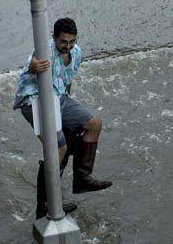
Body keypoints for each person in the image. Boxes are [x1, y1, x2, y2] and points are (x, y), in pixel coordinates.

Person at [13, 17, 113, 219]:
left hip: (59, 98)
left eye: (72, 41)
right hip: (35, 100)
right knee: (58, 148)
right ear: (54, 38)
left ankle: (82, 178)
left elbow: (68, 80)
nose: (67, 46)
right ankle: (45, 206)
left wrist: (69, 111)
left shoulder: (76, 53)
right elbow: (31, 65)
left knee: (94, 124)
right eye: (63, 42)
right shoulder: (44, 50)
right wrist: (34, 67)